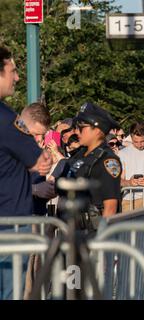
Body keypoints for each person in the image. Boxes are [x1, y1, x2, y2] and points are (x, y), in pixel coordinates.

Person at [0, 46, 53, 300]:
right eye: (12, 71)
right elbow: (39, 161)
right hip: (9, 222)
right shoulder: (6, 117)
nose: (17, 78)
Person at [61, 102, 122, 230]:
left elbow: (110, 207)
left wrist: (100, 242)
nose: (76, 131)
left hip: (93, 232)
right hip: (73, 231)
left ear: (97, 130)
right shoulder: (79, 155)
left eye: (81, 127)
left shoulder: (108, 160)